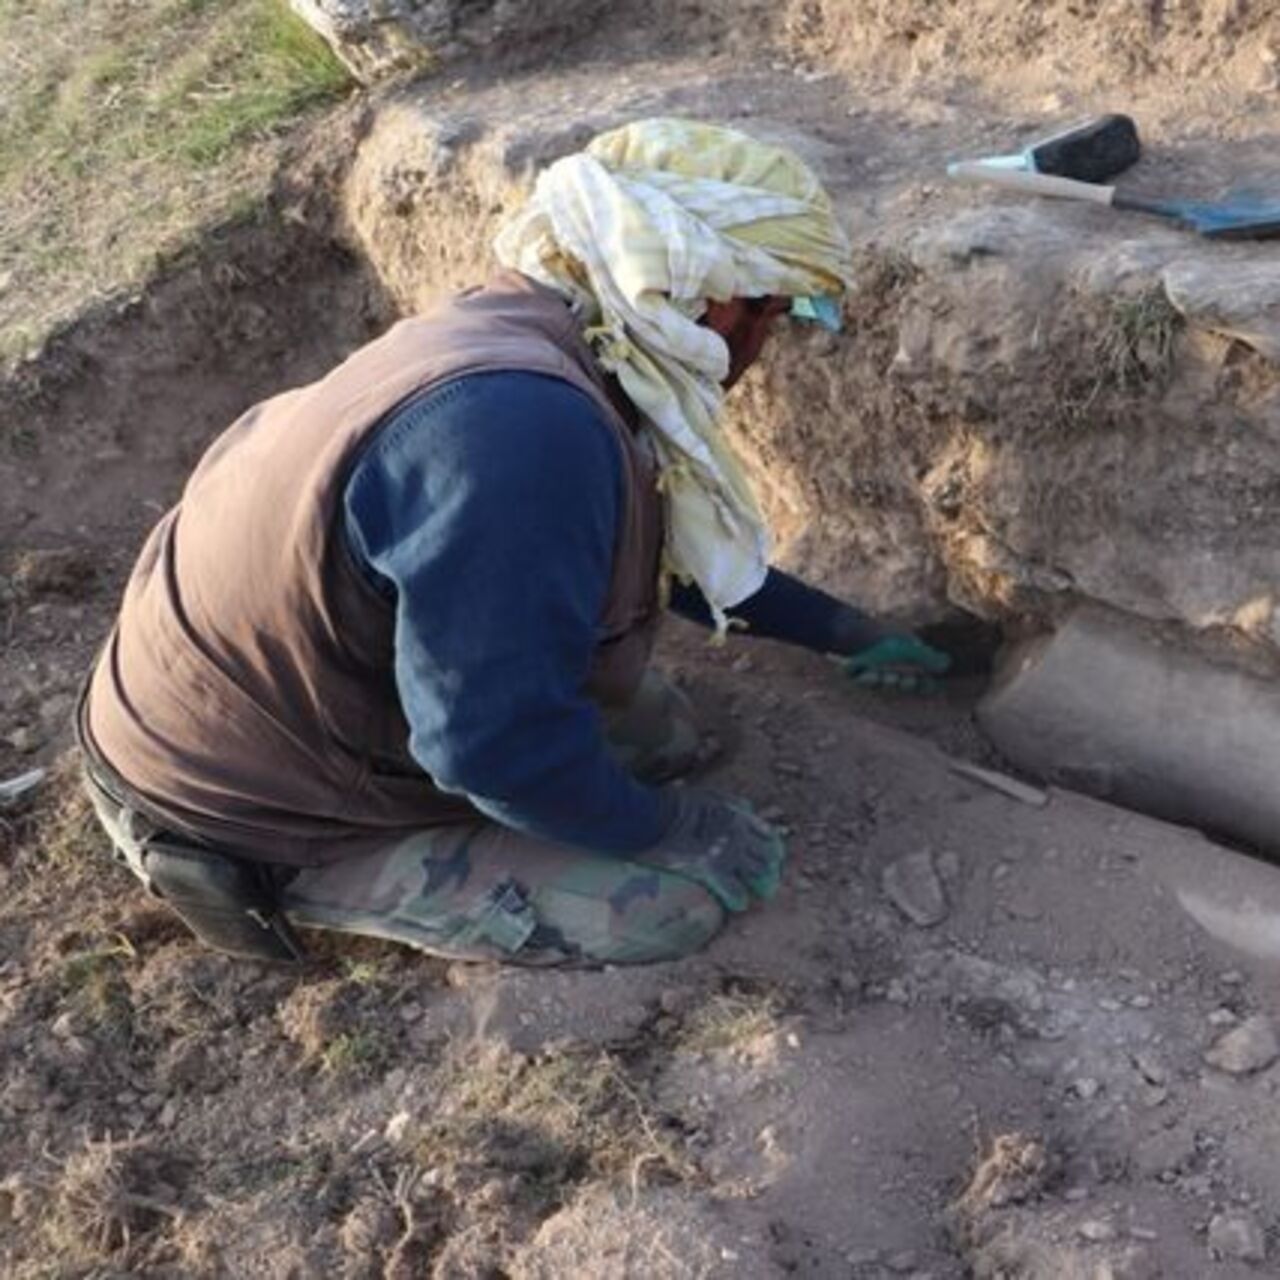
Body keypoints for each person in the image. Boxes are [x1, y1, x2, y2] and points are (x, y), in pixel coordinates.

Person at [77, 119, 950, 967]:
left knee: (667, 731)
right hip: (235, 796)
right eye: (767, 311)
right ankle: (311, 876)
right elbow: (488, 750)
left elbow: (655, 547)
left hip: (295, 694)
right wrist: (670, 829)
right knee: (663, 905)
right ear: (699, 295)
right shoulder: (521, 432)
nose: (764, 343)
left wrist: (844, 633)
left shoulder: (556, 336)